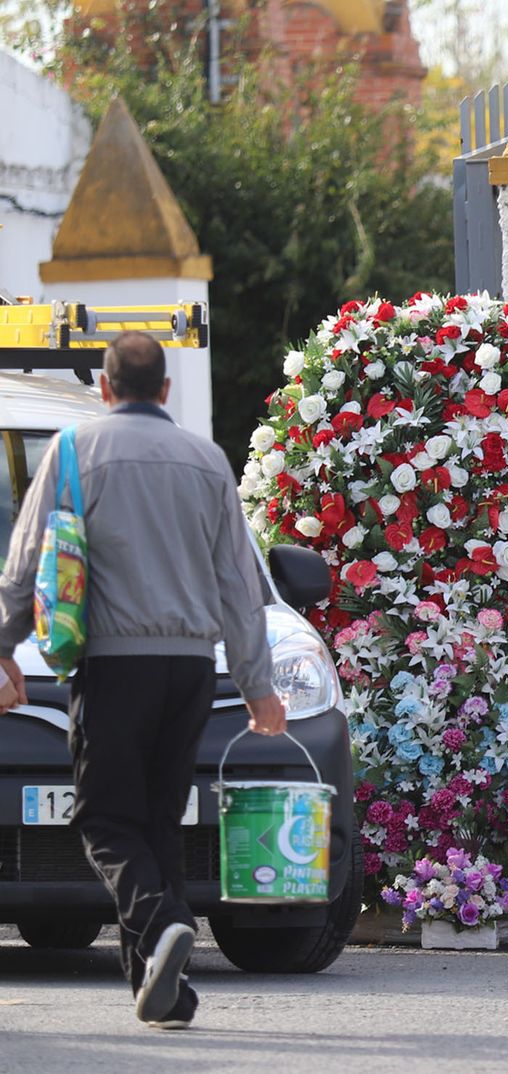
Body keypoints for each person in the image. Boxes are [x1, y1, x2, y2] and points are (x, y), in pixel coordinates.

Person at [0, 331, 285, 1029]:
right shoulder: (207, 458)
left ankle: (161, 925)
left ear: (103, 387)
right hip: (192, 668)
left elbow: (28, 562)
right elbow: (238, 587)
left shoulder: (73, 451)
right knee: (158, 816)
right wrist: (257, 684)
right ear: (164, 390)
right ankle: (164, 990)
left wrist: (5, 645)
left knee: (102, 817)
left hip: (112, 661)